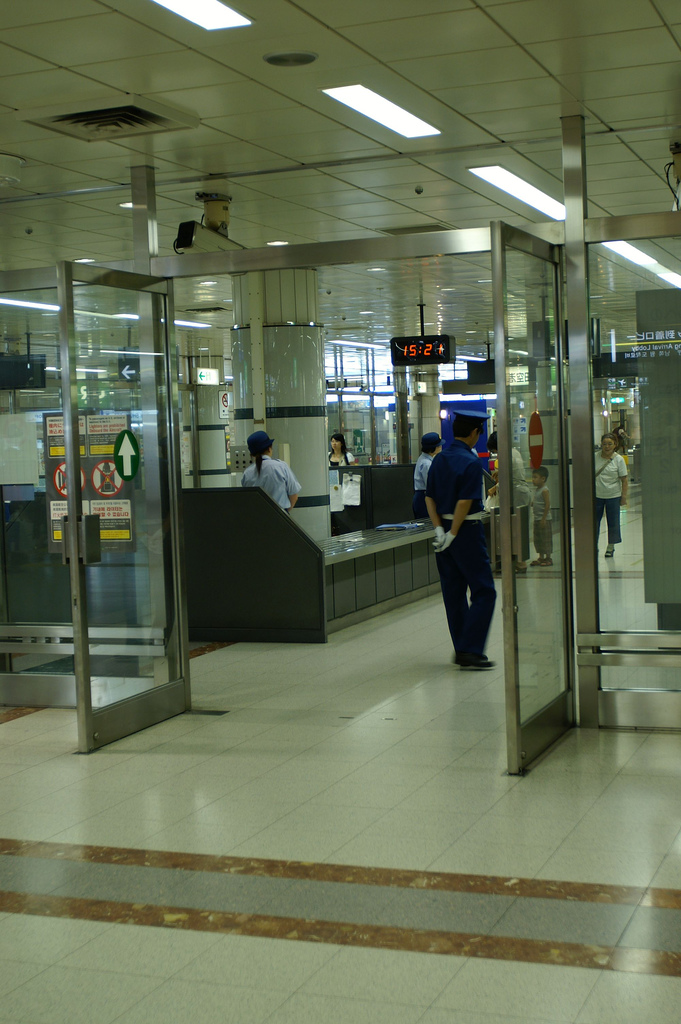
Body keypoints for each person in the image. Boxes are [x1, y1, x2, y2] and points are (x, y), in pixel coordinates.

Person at [425, 409, 496, 670]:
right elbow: (465, 502)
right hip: (465, 531)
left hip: (441, 532)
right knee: (484, 591)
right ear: (476, 433)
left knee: (452, 593)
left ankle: (462, 647)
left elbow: (429, 497)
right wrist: (454, 532)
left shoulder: (439, 460)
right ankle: (470, 649)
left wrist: (439, 531)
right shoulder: (470, 462)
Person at [486, 430, 531, 572]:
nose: (495, 453)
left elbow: (508, 478)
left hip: (517, 492)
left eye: (495, 450)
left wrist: (495, 488)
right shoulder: (513, 452)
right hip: (521, 491)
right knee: (519, 527)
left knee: (516, 528)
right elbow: (512, 472)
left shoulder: (506, 455)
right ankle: (518, 561)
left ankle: (520, 563)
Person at [241, 430, 301, 511]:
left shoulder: (247, 473)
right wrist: (285, 513)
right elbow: (294, 495)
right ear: (269, 449)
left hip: (256, 519)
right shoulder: (281, 466)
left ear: (252, 454)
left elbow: (247, 498)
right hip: (279, 518)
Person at [595, 432, 628, 557]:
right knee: (594, 522)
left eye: (610, 444)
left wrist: (623, 497)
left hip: (613, 496)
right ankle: (594, 545)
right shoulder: (595, 457)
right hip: (597, 496)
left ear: (615, 445)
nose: (607, 447)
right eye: (604, 444)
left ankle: (610, 546)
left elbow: (624, 480)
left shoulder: (618, 460)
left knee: (613, 522)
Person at [412, 431, 442, 518]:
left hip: (423, 497)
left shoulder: (424, 459)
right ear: (432, 448)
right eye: (438, 445)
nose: (440, 447)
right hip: (424, 499)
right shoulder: (426, 464)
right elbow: (430, 485)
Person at [530, 466, 552, 566]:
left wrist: (543, 518)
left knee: (545, 538)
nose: (533, 480)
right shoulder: (537, 490)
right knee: (538, 539)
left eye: (535, 477)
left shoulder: (544, 490)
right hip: (537, 519)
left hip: (544, 519)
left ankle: (548, 558)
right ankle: (541, 557)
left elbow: (547, 505)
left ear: (543, 478)